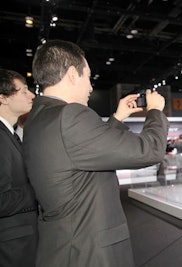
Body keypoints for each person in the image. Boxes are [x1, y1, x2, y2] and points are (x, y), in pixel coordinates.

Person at [22, 40, 169, 267]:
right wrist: (155, 112)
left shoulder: (38, 117)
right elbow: (150, 151)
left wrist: (117, 119)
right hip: (88, 251)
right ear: (72, 74)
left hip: (64, 246)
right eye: (87, 77)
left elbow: (81, 155)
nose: (90, 87)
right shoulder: (70, 115)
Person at [0, 68, 38, 267]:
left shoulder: (10, 135)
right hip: (12, 249)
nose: (31, 95)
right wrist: (39, 187)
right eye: (23, 91)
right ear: (3, 98)